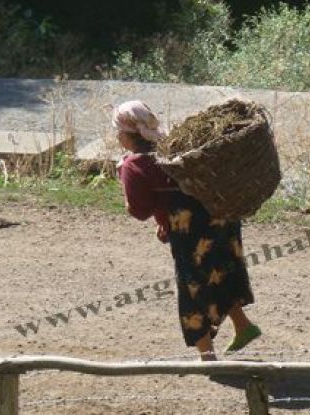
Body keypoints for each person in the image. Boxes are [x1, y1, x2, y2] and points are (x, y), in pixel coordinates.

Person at [112, 100, 261, 361]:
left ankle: (208, 358)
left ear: (127, 135)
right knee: (221, 270)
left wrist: (125, 188)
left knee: (193, 288)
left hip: (190, 231)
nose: (117, 136)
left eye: (118, 131)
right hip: (221, 216)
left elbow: (139, 211)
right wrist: (164, 221)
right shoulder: (175, 148)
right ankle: (243, 326)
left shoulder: (133, 165)